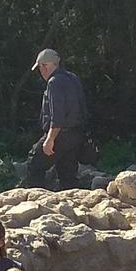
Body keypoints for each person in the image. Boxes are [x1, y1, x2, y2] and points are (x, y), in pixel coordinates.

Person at [25, 50, 87, 190]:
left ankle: (37, 202)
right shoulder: (73, 78)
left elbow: (57, 115)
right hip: (76, 134)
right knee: (68, 175)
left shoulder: (54, 82)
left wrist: (50, 139)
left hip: (60, 135)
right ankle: (73, 206)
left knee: (34, 163)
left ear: (45, 66)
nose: (40, 71)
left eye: (40, 67)